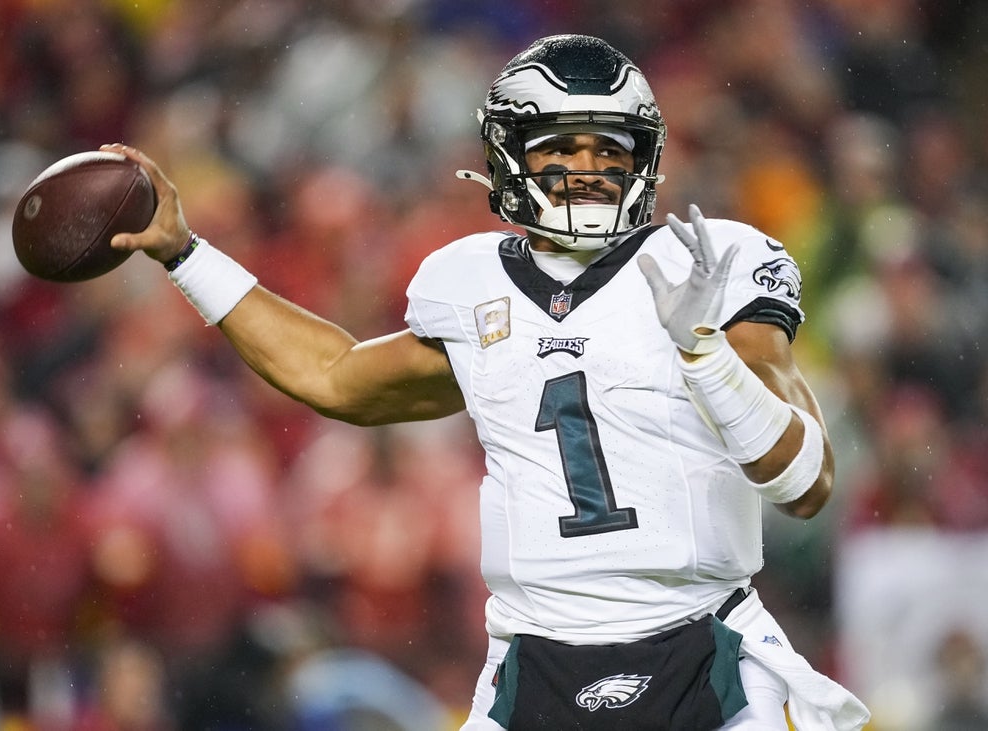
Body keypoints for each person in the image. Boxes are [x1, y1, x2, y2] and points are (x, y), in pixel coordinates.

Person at [102, 34, 870, 731]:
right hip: (534, 661)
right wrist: (185, 253)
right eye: (562, 147)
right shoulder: (471, 284)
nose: (589, 170)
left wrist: (706, 353)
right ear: (510, 156)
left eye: (609, 147)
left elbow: (804, 482)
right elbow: (333, 375)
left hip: (706, 648)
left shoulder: (710, 261)